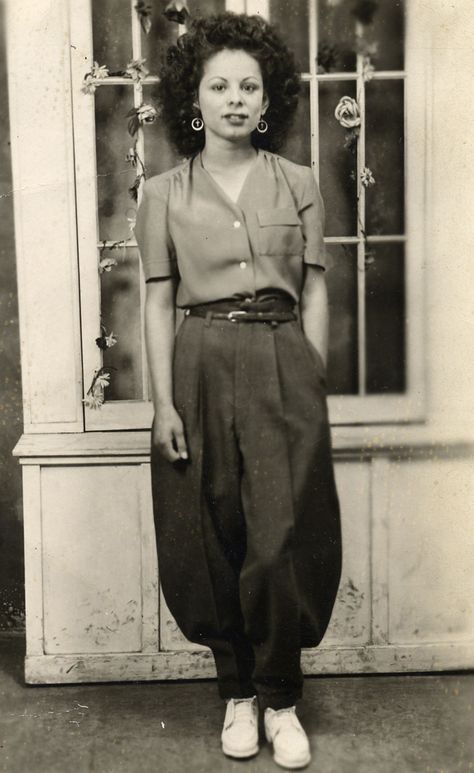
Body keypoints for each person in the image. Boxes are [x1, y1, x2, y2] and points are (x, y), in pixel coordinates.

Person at [134, 12, 342, 770]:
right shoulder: (163, 192)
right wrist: (163, 401)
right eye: (218, 85)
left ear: (267, 100)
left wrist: (309, 374)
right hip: (199, 357)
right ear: (195, 97)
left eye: (248, 86)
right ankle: (238, 694)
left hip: (282, 356)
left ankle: (282, 698)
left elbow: (314, 288)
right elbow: (158, 301)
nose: (233, 98)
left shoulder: (298, 182)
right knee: (213, 525)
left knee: (280, 534)